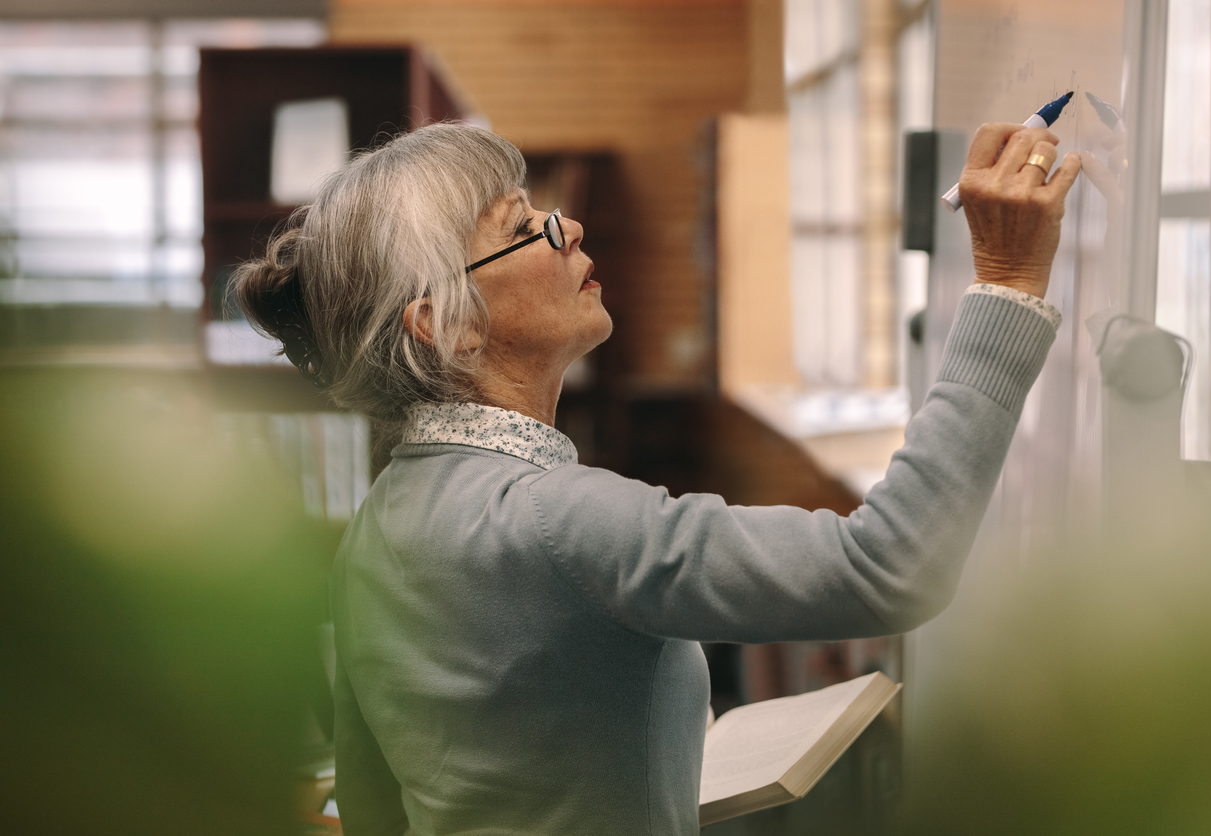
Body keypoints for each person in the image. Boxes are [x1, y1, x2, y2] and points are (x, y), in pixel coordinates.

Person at [231, 121, 1081, 835]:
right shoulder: (557, 519)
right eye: (523, 226)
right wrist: (1005, 288)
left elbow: (379, 810)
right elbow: (888, 564)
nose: (569, 229)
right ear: (446, 327)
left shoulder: (379, 521)